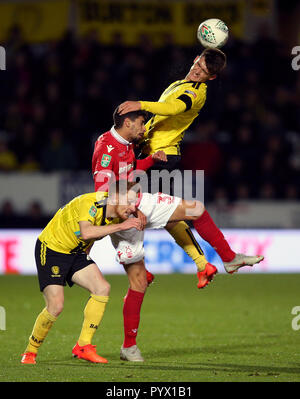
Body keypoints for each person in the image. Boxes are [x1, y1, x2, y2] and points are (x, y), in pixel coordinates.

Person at [91, 107, 263, 362]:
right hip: (124, 213)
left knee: (195, 209)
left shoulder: (126, 142)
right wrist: (129, 213)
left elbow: (129, 170)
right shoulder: (106, 148)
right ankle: (128, 347)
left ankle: (227, 257)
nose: (144, 128)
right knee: (138, 283)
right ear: (127, 122)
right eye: (141, 123)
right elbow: (102, 193)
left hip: (135, 203)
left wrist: (150, 161)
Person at [117, 48, 262, 274]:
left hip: (161, 158)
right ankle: (219, 260)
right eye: (198, 65)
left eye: (204, 72)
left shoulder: (197, 93)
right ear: (196, 59)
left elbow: (173, 108)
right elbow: (164, 115)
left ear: (211, 77)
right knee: (168, 215)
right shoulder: (178, 85)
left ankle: (217, 259)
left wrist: (141, 104)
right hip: (150, 154)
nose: (197, 71)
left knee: (133, 206)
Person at [21, 181, 144, 365]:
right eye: (130, 202)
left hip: (76, 252)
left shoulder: (117, 213)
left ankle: (83, 346)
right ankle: (30, 352)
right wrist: (122, 226)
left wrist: (137, 214)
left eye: (135, 203)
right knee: (56, 305)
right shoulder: (91, 204)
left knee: (102, 288)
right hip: (52, 248)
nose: (132, 208)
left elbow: (91, 237)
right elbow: (86, 233)